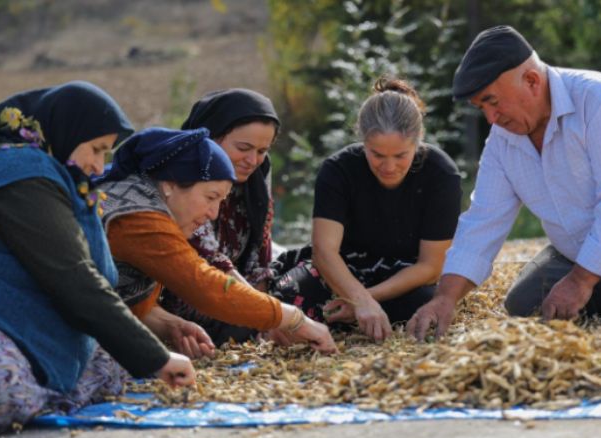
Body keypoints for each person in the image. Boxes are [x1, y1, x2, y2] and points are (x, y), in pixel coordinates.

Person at [0, 81, 194, 438]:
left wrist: (146, 353)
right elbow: (72, 277)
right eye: (96, 149)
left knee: (105, 365)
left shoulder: (58, 182)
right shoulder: (19, 172)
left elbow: (90, 278)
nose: (98, 165)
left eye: (106, 154)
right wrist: (156, 358)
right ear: (65, 131)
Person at [408, 26, 601, 341]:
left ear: (532, 80)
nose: (491, 118)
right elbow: (482, 219)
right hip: (589, 244)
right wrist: (444, 298)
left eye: (493, 102)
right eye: (482, 109)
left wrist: (580, 281)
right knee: (525, 304)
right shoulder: (502, 140)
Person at [96, 127, 337, 354]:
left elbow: (122, 297)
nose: (214, 213)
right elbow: (202, 284)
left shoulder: (153, 201)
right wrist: (295, 319)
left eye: (221, 201)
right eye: (211, 197)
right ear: (170, 184)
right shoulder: (137, 217)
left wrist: (169, 324)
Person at [270, 77, 462, 342]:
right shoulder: (338, 170)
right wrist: (357, 297)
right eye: (377, 155)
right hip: (343, 271)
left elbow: (431, 265)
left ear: (418, 143)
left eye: (400, 156)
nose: (389, 166)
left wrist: (366, 300)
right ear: (362, 141)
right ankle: (343, 320)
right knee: (287, 295)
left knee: (421, 306)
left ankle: (346, 320)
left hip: (404, 277)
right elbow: (324, 251)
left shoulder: (441, 174)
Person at [160, 89, 280, 342]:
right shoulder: (185, 173)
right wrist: (266, 314)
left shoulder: (256, 178)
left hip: (234, 287)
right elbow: (207, 257)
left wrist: (265, 306)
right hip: (189, 290)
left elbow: (261, 250)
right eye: (244, 147)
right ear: (212, 137)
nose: (252, 160)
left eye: (262, 151)